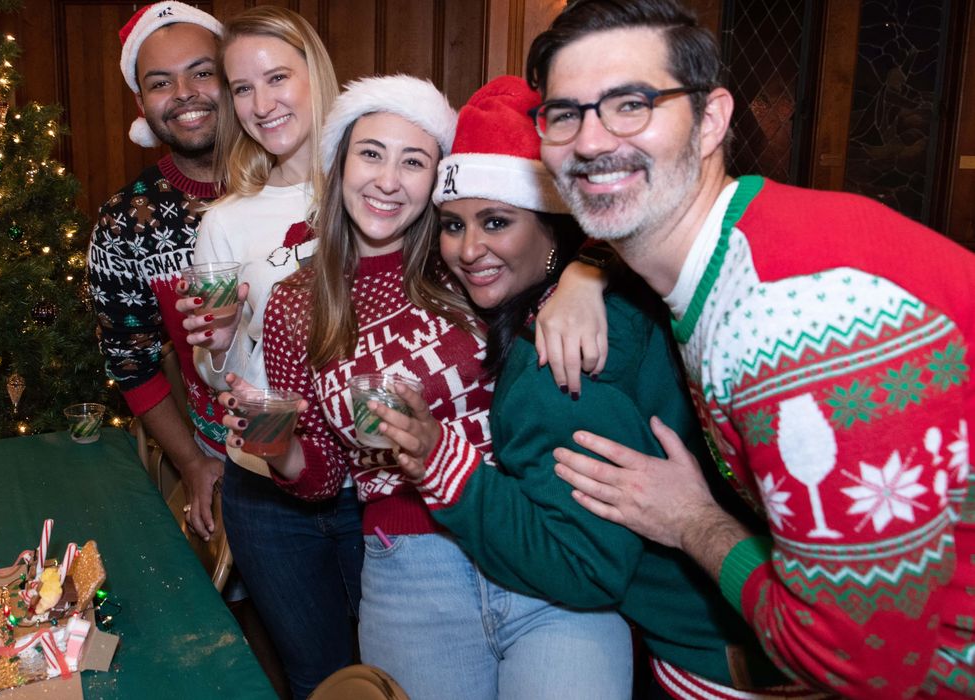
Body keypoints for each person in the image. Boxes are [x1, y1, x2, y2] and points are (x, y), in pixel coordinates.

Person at [526, 0, 975, 696]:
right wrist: (585, 268)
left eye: (630, 104)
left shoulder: (793, 324)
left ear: (710, 120)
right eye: (564, 114)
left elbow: (856, 664)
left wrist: (690, 520)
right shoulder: (750, 240)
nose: (588, 142)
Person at [370, 74, 822, 699]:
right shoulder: (627, 287)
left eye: (496, 221)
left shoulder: (555, 360)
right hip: (769, 627)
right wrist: (591, 268)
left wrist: (445, 467)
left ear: (555, 230)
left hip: (726, 661)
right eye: (452, 225)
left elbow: (584, 567)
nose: (468, 248)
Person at [224, 74, 631, 700]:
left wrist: (585, 273)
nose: (388, 180)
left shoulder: (466, 258)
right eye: (370, 154)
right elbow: (326, 476)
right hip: (408, 570)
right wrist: (277, 447)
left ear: (438, 179)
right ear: (339, 165)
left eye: (413, 161)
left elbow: (602, 225)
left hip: (537, 542)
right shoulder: (294, 306)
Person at [176, 8, 360, 698]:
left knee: (402, 671)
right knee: (318, 677)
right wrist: (218, 350)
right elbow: (219, 376)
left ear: (315, 74)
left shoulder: (375, 185)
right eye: (242, 88)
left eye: (276, 77)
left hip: (376, 481)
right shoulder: (225, 220)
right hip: (267, 485)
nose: (261, 104)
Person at [86, 2, 226, 539]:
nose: (185, 93)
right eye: (161, 82)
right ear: (141, 103)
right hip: (230, 461)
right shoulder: (125, 223)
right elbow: (131, 362)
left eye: (202, 72)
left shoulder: (302, 187)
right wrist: (193, 463)